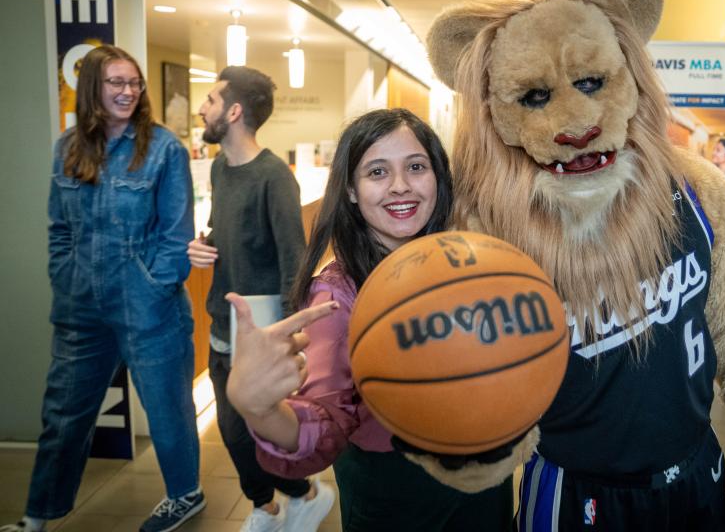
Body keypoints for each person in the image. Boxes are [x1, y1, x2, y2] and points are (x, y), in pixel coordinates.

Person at [226, 108, 514, 531]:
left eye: (416, 167)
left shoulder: (470, 261)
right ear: (352, 191)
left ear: (438, 178)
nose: (400, 186)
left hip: (486, 490)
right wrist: (262, 409)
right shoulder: (338, 294)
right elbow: (323, 423)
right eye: (377, 172)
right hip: (399, 501)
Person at [1, 45, 201, 532]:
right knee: (64, 415)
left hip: (149, 308)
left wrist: (153, 286)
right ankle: (37, 515)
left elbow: (176, 237)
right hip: (80, 308)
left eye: (134, 83)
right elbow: (59, 229)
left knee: (167, 409)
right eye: (116, 82)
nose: (128, 91)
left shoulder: (164, 149)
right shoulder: (67, 147)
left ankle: (185, 495)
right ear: (93, 86)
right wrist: (65, 278)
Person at [186, 66, 333, 532]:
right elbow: (224, 228)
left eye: (210, 100)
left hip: (261, 331)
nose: (202, 109)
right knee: (232, 432)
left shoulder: (274, 176)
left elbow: (295, 259)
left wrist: (290, 337)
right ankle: (268, 505)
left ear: (232, 111)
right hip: (223, 322)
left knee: (254, 430)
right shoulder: (218, 168)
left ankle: (301, 494)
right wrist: (203, 245)